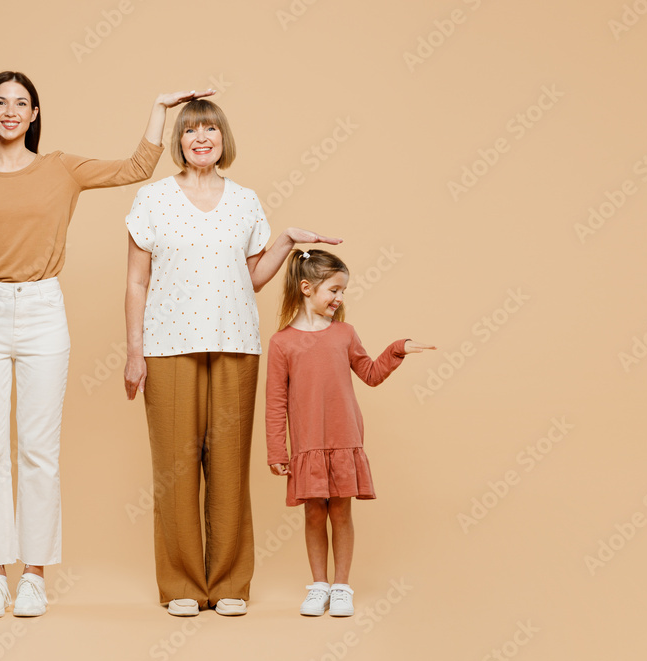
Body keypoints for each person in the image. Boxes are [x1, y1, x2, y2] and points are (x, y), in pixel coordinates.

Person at [0, 70, 209, 618]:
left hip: (41, 311)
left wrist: (159, 106)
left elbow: (135, 168)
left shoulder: (60, 168)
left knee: (38, 450)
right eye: (1, 102)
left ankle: (33, 575)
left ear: (34, 115)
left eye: (22, 103)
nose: (11, 111)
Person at [123, 98, 342, 617]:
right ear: (178, 139)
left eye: (211, 129)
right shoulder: (151, 199)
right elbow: (136, 280)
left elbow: (251, 279)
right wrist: (134, 349)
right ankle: (180, 583)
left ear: (224, 138)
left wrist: (286, 240)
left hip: (236, 343)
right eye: (192, 129)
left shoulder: (245, 201)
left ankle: (227, 585)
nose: (202, 137)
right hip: (167, 346)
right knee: (176, 470)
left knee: (228, 469)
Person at [264, 249, 435, 617]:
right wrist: (277, 450)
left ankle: (341, 587)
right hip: (308, 444)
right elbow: (275, 402)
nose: (340, 299)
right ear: (306, 288)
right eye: (334, 290)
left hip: (344, 439)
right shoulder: (282, 343)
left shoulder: (345, 333)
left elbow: (371, 374)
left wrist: (396, 350)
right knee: (313, 515)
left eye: (343, 291)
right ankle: (319, 586)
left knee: (341, 513)